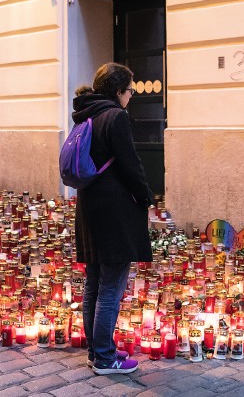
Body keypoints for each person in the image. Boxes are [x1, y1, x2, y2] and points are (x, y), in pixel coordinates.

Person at [71, 63, 153, 375]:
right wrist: (146, 196)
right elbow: (130, 164)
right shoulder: (115, 116)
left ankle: (96, 352)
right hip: (115, 211)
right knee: (110, 288)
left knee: (94, 283)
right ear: (118, 91)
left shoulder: (85, 113)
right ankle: (106, 358)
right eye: (130, 90)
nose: (131, 95)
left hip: (90, 207)